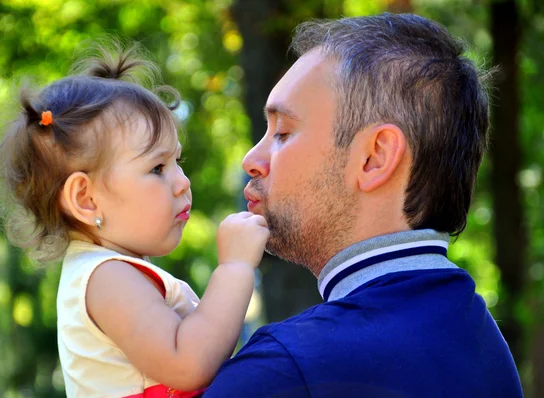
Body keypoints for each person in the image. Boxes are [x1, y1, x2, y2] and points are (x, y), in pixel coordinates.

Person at [204, 13, 523, 398]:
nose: (251, 159)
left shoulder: (288, 370)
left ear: (374, 157)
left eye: (283, 133)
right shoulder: (488, 349)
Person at [0, 46, 268, 398]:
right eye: (157, 168)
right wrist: (235, 267)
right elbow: (189, 365)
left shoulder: (110, 272)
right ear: (85, 198)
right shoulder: (106, 277)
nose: (183, 181)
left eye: (177, 161)